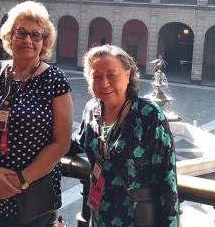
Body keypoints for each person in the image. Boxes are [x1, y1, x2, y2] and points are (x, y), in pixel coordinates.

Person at [0, 0, 73, 227]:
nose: (27, 40)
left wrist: (20, 180)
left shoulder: (55, 79)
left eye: (36, 35)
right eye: (20, 32)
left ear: (44, 42)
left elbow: (61, 143)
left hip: (30, 195)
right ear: (9, 36)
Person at [71, 45, 179, 227]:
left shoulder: (149, 114)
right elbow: (79, 141)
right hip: (99, 218)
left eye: (112, 75)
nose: (104, 83)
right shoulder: (92, 109)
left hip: (136, 220)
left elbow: (167, 179)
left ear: (128, 75)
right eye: (96, 77)